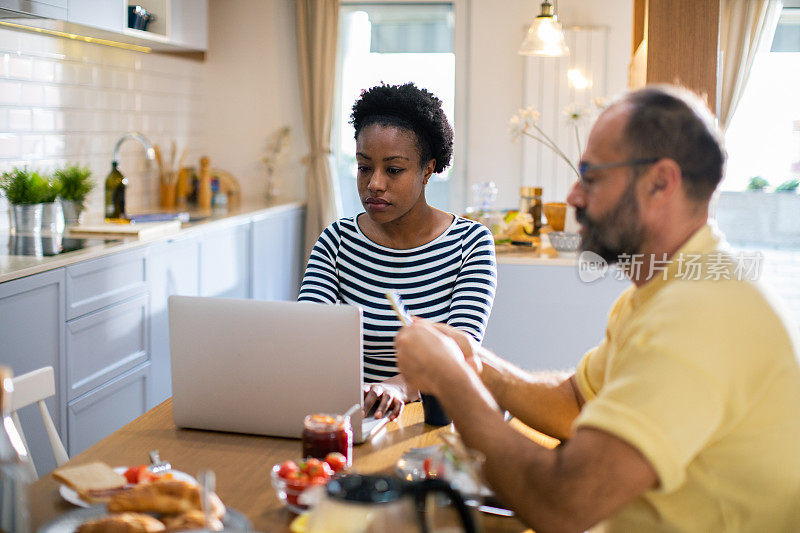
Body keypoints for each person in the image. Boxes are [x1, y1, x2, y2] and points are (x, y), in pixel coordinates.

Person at [395, 85, 800, 531]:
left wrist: (451, 381)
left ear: (661, 183)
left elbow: (563, 504)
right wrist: (475, 363)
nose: (572, 196)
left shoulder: (699, 315)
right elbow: (577, 402)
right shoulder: (662, 291)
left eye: (590, 176)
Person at [298, 82, 497, 421]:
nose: (374, 183)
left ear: (428, 169)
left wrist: (396, 388)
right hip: (352, 414)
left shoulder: (470, 243)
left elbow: (458, 352)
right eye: (364, 167)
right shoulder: (337, 240)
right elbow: (306, 339)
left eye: (393, 169)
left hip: (430, 419)